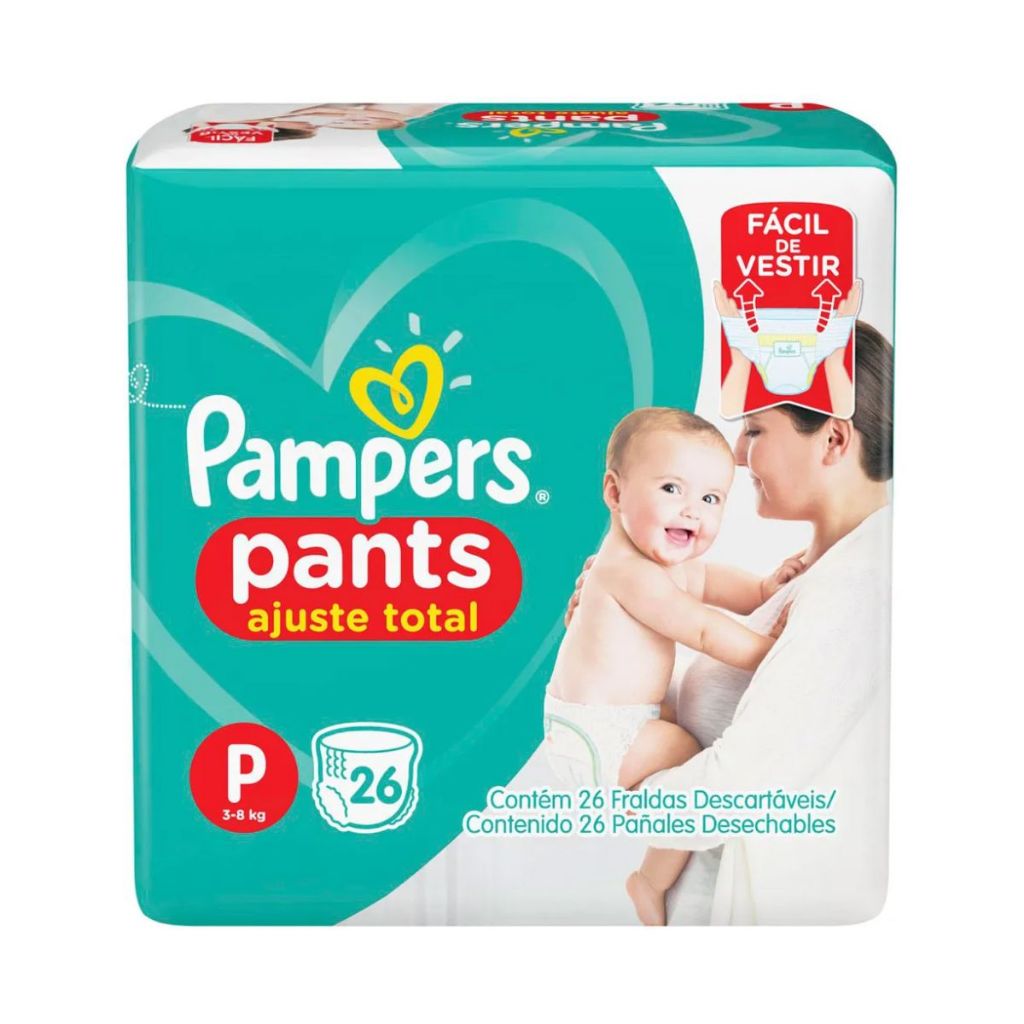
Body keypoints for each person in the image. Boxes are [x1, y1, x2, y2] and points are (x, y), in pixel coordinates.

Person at [566, 320, 894, 925]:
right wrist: (614, 628)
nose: (738, 455)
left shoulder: (858, 585)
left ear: (832, 440)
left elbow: (734, 791)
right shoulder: (812, 574)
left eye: (755, 430)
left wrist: (614, 793)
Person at [544, 407, 800, 925]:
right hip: (602, 737)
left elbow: (707, 582)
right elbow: (701, 627)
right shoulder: (627, 571)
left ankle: (649, 863)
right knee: (691, 760)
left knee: (682, 735)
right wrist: (771, 650)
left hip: (601, 723)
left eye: (711, 499)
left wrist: (761, 590)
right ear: (614, 492)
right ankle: (650, 881)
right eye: (671, 489)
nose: (692, 511)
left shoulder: (655, 563)